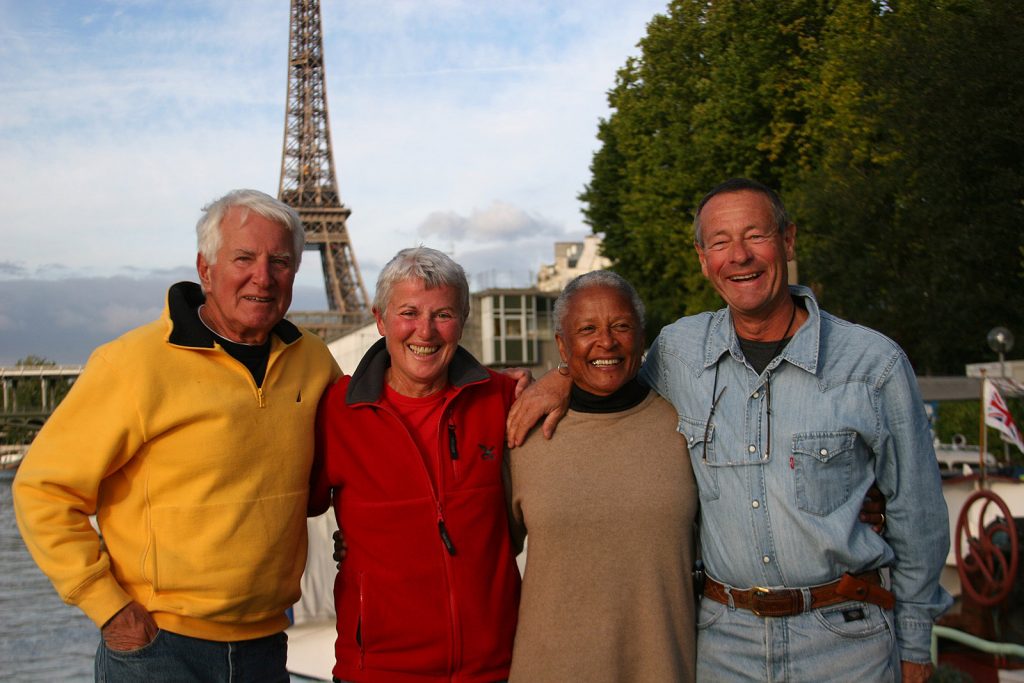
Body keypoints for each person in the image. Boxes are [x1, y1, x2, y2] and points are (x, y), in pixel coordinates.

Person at [507, 178, 951, 682]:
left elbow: (918, 514)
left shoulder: (873, 365)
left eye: (755, 236)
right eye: (720, 242)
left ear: (787, 240)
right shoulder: (679, 353)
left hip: (846, 643)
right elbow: (609, 373)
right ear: (703, 259)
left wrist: (915, 648)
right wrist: (559, 379)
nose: (738, 256)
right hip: (725, 645)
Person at [13, 189, 341, 682]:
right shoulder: (133, 365)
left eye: (280, 261)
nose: (263, 276)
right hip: (158, 649)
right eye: (244, 258)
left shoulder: (314, 361)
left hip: (267, 644)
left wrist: (500, 388)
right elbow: (43, 490)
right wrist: (106, 606)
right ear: (205, 268)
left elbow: (368, 435)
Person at [309, 246, 521, 683]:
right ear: (381, 319)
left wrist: (556, 382)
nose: (425, 331)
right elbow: (283, 504)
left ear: (462, 321)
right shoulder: (334, 410)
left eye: (443, 314)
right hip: (377, 671)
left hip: (494, 667)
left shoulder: (505, 399)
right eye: (408, 312)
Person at [506, 270, 698, 682]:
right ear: (562, 343)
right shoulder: (522, 433)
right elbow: (477, 553)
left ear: (642, 337)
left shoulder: (687, 427)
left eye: (621, 326)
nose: (606, 342)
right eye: (587, 329)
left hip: (665, 669)